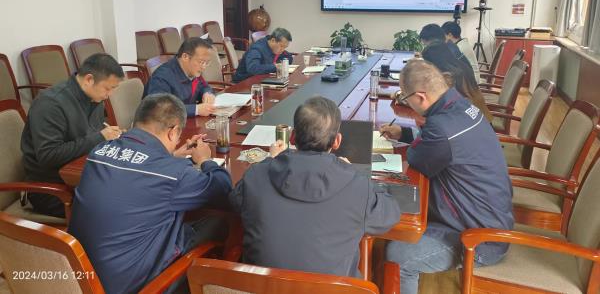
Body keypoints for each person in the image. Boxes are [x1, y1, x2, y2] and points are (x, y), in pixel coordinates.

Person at [69, 93, 232, 294]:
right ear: (173, 132)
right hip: (133, 286)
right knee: (219, 222)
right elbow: (222, 189)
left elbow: (135, 174)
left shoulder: (99, 152)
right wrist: (205, 160)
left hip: (80, 277)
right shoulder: (173, 173)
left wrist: (172, 156)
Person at [229, 96, 401, 277]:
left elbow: (234, 201)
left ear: (292, 137)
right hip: (333, 289)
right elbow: (390, 214)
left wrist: (270, 160)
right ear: (337, 141)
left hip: (258, 287)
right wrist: (352, 173)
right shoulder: (357, 186)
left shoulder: (256, 175)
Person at [380, 60, 513, 294]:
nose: (406, 103)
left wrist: (416, 140)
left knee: (398, 254)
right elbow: (444, 143)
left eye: (405, 98)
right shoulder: (461, 105)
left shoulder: (441, 128)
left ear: (420, 97)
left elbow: (418, 157)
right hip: (488, 217)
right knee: (404, 219)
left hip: (479, 239)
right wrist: (407, 133)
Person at [21, 53, 124, 217]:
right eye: (107, 88)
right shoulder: (50, 104)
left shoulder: (95, 98)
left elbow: (91, 136)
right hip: (52, 188)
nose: (109, 94)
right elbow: (49, 155)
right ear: (89, 79)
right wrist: (100, 137)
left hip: (82, 175)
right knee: (118, 207)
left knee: (131, 190)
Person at [145, 37, 216, 117]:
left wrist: (207, 93)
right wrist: (196, 110)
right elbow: (160, 109)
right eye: (201, 62)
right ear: (185, 57)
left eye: (207, 63)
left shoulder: (192, 70)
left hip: (185, 120)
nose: (204, 67)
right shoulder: (162, 77)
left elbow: (204, 86)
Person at [422, 42, 493, 122]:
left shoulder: (448, 76)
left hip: (470, 122)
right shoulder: (461, 66)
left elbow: (438, 104)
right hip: (483, 118)